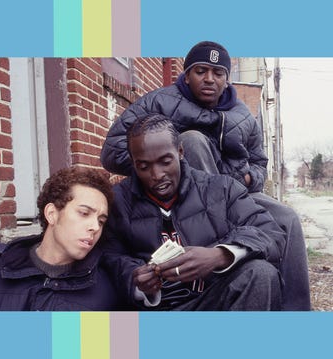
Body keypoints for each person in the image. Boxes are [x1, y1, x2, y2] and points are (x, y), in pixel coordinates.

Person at [100, 41, 310, 310]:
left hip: (234, 187)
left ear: (226, 79)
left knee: (287, 219)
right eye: (201, 71)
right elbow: (112, 150)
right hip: (189, 182)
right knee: (195, 140)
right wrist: (160, 162)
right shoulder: (160, 101)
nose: (209, 79)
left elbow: (259, 162)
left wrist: (245, 180)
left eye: (218, 73)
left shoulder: (242, 114)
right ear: (186, 74)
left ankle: (295, 311)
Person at [102, 114, 286, 311]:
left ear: (180, 151)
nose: (156, 175)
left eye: (165, 161)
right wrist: (135, 280)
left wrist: (219, 256)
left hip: (214, 301)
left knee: (261, 273)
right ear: (133, 163)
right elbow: (109, 256)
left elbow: (271, 234)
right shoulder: (118, 201)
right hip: (156, 312)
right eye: (144, 166)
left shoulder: (221, 189)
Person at [0, 166, 124, 311]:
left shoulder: (107, 290)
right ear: (52, 213)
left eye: (101, 221)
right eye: (84, 213)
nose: (95, 227)